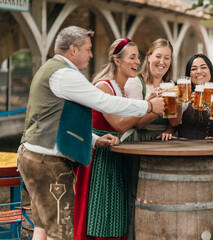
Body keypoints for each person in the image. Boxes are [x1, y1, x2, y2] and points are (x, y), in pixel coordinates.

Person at [17, 26, 164, 240]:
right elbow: (103, 101)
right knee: (61, 234)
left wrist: (94, 140)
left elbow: (62, 119)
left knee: (44, 229)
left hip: (34, 156)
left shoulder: (51, 68)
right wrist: (148, 107)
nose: (92, 55)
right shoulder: (64, 74)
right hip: (48, 164)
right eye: (88, 49)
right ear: (74, 50)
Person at [74, 38, 146, 240]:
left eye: (138, 57)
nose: (137, 62)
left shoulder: (122, 88)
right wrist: (148, 106)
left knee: (114, 213)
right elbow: (120, 125)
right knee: (102, 214)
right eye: (132, 57)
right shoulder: (104, 86)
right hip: (100, 155)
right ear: (117, 61)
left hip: (115, 151)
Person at [124, 38, 176, 239]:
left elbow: (175, 121)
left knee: (161, 194)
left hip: (163, 145)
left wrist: (172, 125)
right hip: (140, 142)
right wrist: (154, 104)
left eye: (167, 58)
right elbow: (138, 122)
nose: (162, 62)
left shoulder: (170, 85)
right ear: (149, 57)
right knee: (137, 194)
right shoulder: (136, 82)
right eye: (158, 56)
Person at [167, 53, 213, 140]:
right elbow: (174, 123)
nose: (199, 71)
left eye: (203, 67)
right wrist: (169, 131)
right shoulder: (183, 97)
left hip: (212, 149)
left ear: (210, 71)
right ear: (189, 75)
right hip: (187, 150)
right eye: (194, 69)